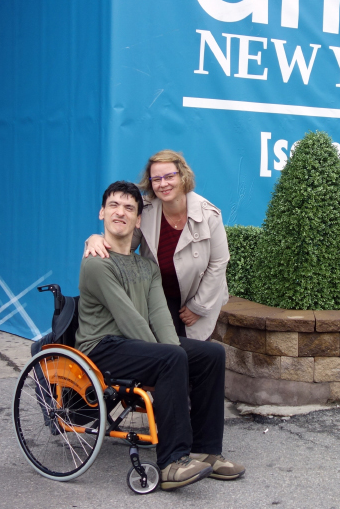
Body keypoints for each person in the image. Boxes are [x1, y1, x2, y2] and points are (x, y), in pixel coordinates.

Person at [77, 180, 244, 490]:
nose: (120, 212)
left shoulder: (147, 266)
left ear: (138, 220)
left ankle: (205, 450)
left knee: (210, 354)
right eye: (113, 205)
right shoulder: (97, 263)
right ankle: (171, 463)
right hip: (102, 348)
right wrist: (170, 356)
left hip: (135, 344)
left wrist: (174, 350)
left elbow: (160, 318)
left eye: (129, 208)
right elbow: (129, 320)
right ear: (102, 212)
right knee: (170, 358)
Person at [84, 150, 229, 341]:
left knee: (199, 351)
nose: (163, 184)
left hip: (198, 296)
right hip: (159, 295)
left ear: (183, 176)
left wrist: (198, 307)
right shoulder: (145, 210)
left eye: (169, 176)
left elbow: (219, 262)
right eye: (156, 179)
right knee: (165, 348)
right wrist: (96, 239)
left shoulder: (209, 215)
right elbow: (123, 245)